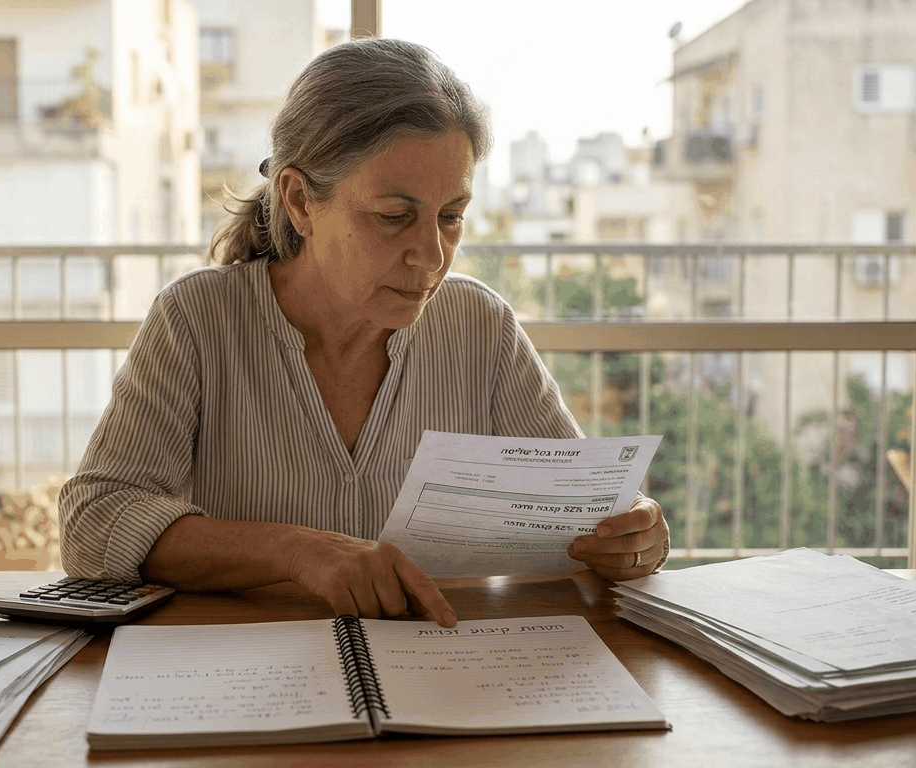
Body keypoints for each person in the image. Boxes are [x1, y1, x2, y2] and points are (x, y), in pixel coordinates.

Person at [59, 38, 670, 628]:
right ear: (299, 201)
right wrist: (296, 552)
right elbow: (94, 523)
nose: (431, 255)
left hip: (450, 684)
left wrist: (631, 536)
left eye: (451, 217)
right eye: (393, 217)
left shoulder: (479, 328)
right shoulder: (197, 321)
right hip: (253, 686)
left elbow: (585, 515)